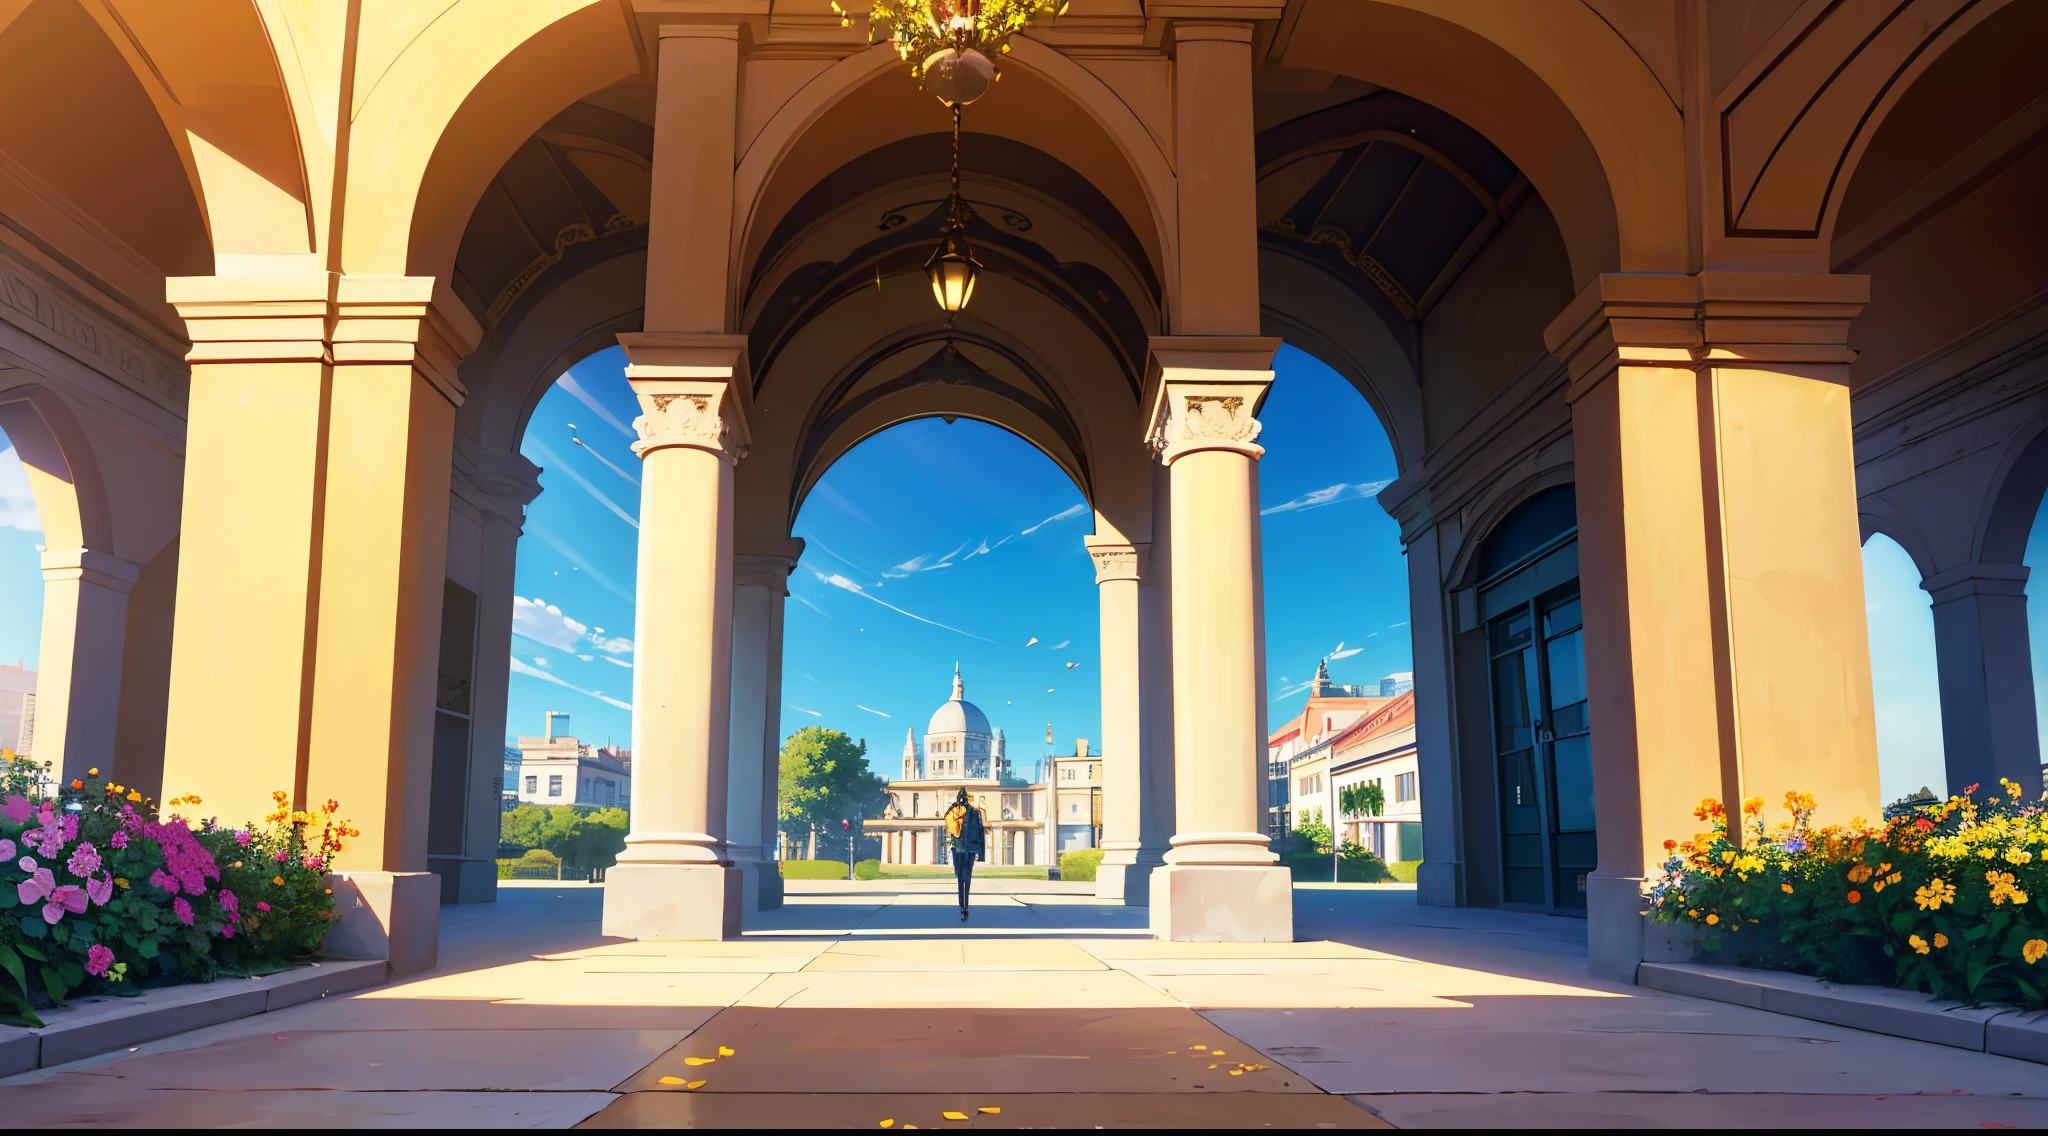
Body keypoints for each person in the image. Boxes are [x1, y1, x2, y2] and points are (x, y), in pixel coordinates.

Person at [943, 787, 987, 921]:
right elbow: (981, 832)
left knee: (961, 877)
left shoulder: (954, 811)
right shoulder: (973, 812)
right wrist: (981, 852)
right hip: (968, 848)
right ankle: (964, 906)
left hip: (960, 848)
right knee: (965, 878)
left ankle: (963, 905)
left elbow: (949, 828)